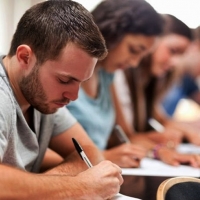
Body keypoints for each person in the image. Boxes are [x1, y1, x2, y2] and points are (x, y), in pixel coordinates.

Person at [0, 1, 123, 199]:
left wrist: (51, 187)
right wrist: (77, 187)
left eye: (81, 82)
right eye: (65, 80)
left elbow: (89, 153)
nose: (73, 96)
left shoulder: (43, 97)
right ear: (24, 57)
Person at [67, 0, 165, 168]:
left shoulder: (107, 74)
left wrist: (158, 151)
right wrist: (104, 157)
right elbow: (43, 149)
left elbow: (126, 135)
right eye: (133, 50)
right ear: (109, 33)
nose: (135, 63)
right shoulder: (65, 73)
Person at [114, 14, 200, 166]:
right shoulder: (118, 75)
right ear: (152, 42)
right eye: (173, 51)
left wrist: (188, 133)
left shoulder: (148, 82)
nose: (175, 62)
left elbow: (161, 119)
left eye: (181, 55)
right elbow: (125, 136)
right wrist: (159, 149)